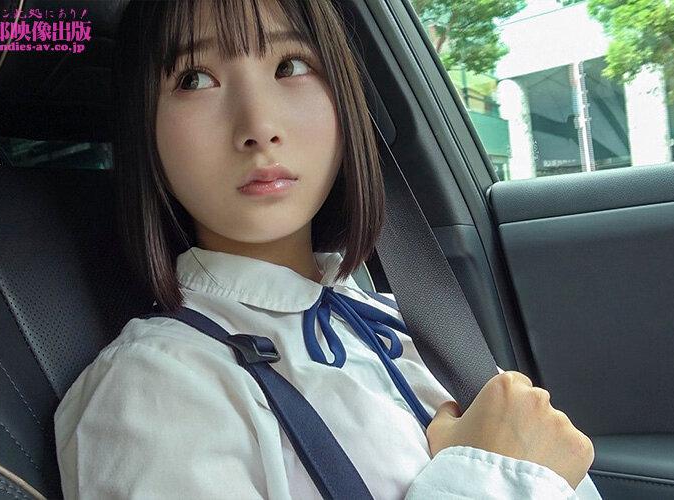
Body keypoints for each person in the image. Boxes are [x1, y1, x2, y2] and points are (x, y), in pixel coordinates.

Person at [54, 0, 603, 498]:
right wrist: (501, 477)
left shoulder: (398, 319)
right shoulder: (151, 391)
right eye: (195, 79)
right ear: (145, 131)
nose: (259, 126)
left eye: (290, 66)